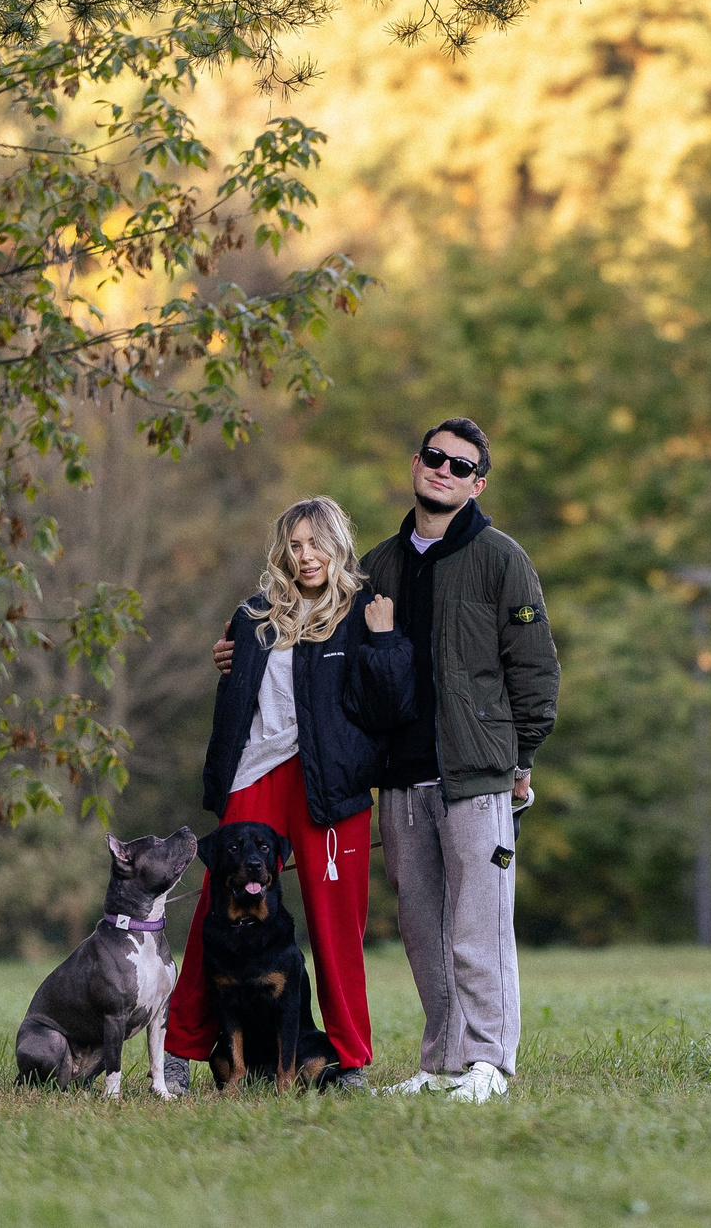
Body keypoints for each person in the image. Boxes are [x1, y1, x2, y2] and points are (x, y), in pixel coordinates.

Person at [212, 418, 558, 1103]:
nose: (444, 470)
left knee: (480, 922)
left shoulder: (501, 559)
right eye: (435, 457)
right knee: (424, 926)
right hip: (400, 778)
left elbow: (536, 670)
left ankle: (489, 1063)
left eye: (461, 466)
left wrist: (520, 759)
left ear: (476, 483)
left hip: (475, 772)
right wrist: (237, 652)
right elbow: (309, 640)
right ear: (416, 463)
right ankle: (440, 1061)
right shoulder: (379, 567)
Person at [166, 495, 414, 1094]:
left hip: (331, 784)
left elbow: (391, 706)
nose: (306, 557)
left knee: (336, 928)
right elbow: (233, 699)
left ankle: (350, 1059)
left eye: (316, 543)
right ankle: (179, 1048)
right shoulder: (254, 617)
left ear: (337, 545)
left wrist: (382, 644)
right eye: (295, 545)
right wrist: (226, 659)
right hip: (255, 775)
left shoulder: (363, 613)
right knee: (212, 914)